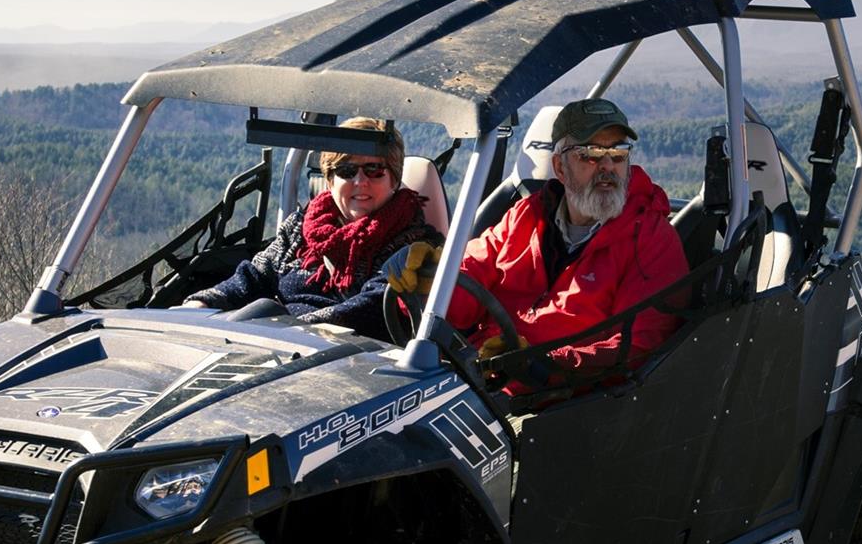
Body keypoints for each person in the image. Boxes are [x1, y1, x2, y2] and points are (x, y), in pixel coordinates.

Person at [404, 97, 689, 375]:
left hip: (565, 396)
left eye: (618, 153)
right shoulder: (526, 216)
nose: (607, 166)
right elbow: (470, 275)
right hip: (484, 380)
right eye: (590, 154)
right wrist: (428, 283)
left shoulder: (650, 238)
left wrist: (541, 364)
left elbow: (641, 345)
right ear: (560, 167)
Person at [184, 117, 441, 341]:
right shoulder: (302, 225)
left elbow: (373, 307)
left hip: (351, 358)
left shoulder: (415, 243)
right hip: (280, 345)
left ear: (394, 179)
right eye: (347, 170)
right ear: (329, 179)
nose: (360, 181)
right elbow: (256, 275)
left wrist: (287, 328)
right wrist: (203, 303)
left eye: (374, 169)